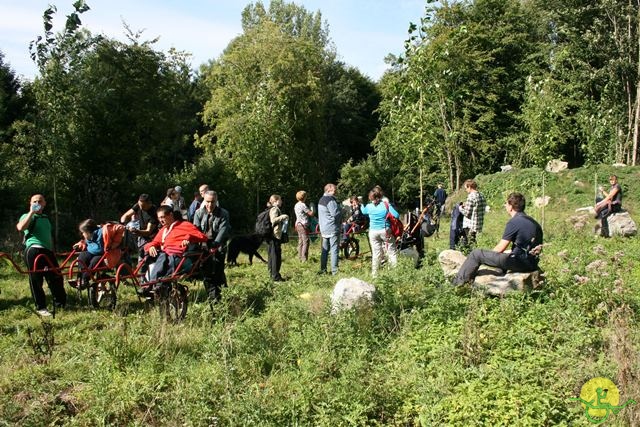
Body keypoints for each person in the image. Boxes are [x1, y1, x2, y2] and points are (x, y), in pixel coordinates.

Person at [453, 193, 543, 286]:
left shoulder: (514, 222)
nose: (505, 206)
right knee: (507, 253)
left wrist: (488, 258)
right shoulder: (534, 222)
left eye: (506, 204)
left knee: (476, 254)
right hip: (532, 263)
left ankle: (458, 284)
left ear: (510, 206)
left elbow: (500, 248)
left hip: (519, 262)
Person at [16, 194, 67, 316]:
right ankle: (41, 307)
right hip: (33, 249)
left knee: (56, 276)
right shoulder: (28, 216)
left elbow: (48, 236)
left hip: (47, 251)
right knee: (36, 279)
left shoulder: (45, 217)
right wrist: (31, 213)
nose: (37, 203)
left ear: (44, 203)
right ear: (30, 204)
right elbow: (20, 227)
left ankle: (60, 304)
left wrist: (52, 250)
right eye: (34, 201)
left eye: (40, 201)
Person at [143, 206, 208, 284]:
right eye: (159, 218)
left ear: (170, 215)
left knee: (167, 260)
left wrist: (188, 237)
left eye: (163, 217)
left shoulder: (185, 225)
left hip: (181, 257)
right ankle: (153, 285)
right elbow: (155, 242)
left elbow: (203, 237)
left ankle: (153, 284)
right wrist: (151, 246)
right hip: (165, 256)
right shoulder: (163, 230)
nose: (161, 220)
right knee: (162, 257)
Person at [193, 190, 231, 300]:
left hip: (218, 245)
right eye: (207, 201)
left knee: (218, 270)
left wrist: (215, 245)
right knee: (206, 272)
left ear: (216, 201)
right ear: (204, 201)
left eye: (212, 202)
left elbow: (223, 231)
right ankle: (212, 296)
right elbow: (196, 230)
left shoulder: (224, 213)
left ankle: (222, 293)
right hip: (204, 246)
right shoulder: (198, 213)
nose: (210, 205)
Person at [361, 186, 400, 277]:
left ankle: (374, 274)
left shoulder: (369, 206)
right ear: (380, 196)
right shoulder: (386, 205)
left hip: (373, 232)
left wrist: (361, 204)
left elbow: (363, 212)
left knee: (376, 253)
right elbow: (397, 215)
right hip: (385, 231)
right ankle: (394, 273)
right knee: (391, 252)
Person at [120, 194, 159, 266]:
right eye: (139, 205)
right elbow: (125, 216)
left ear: (149, 203)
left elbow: (148, 231)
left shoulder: (154, 212)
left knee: (147, 260)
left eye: (143, 206)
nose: (140, 208)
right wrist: (124, 225)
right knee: (141, 259)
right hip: (141, 236)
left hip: (152, 238)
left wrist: (136, 231)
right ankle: (141, 274)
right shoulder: (139, 205)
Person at [71, 219, 104, 289]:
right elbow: (85, 241)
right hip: (90, 252)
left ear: (89, 232)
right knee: (82, 256)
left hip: (101, 254)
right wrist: (81, 243)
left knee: (94, 261)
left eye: (83, 232)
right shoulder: (89, 236)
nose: (82, 234)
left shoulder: (101, 234)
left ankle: (85, 279)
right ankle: (80, 277)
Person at [318, 183, 342, 275]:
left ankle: (323, 270)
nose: (336, 192)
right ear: (328, 190)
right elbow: (336, 213)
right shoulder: (330, 200)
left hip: (324, 228)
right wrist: (342, 211)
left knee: (324, 250)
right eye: (334, 191)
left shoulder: (321, 199)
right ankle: (334, 271)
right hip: (332, 228)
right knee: (334, 250)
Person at [265, 195, 289, 281]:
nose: (281, 201)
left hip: (272, 236)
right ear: (275, 201)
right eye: (280, 200)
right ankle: (276, 276)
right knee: (275, 256)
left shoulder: (271, 208)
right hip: (274, 236)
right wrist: (284, 216)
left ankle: (272, 274)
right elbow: (273, 220)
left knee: (272, 255)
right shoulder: (274, 209)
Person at [458, 179, 486, 250]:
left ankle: (474, 257)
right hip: (478, 223)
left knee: (471, 242)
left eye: (466, 188)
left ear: (469, 187)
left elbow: (467, 213)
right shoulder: (481, 195)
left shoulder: (471, 197)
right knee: (473, 240)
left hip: (470, 224)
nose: (466, 190)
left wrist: (460, 208)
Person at [294, 190, 314, 262]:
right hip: (303, 224)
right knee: (306, 241)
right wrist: (312, 208)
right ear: (304, 197)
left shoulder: (296, 205)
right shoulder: (303, 205)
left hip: (298, 224)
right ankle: (304, 259)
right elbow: (311, 213)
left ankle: (299, 257)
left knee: (300, 241)